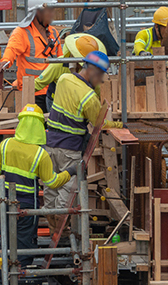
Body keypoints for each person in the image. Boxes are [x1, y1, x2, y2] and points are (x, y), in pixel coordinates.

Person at [0, 104, 76, 268]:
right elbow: (52, 182)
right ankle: (21, 281)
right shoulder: (40, 154)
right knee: (25, 246)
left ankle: (3, 283)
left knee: (6, 243)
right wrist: (70, 171)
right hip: (27, 207)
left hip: (4, 202)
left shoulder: (5, 145)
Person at [43, 51, 115, 225]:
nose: (101, 81)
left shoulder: (64, 80)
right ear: (93, 71)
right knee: (66, 193)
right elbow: (99, 124)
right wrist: (120, 126)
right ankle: (62, 231)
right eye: (101, 77)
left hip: (50, 145)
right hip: (70, 150)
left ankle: (54, 231)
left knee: (51, 189)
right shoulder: (89, 98)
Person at [0, 0, 61, 112]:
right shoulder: (21, 32)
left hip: (53, 91)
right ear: (38, 13)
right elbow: (11, 49)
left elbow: (61, 60)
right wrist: (5, 62)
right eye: (50, 10)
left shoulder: (53, 33)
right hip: (32, 93)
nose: (53, 13)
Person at [34, 33, 107, 107]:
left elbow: (98, 89)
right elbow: (39, 83)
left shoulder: (90, 71)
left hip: (78, 102)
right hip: (56, 101)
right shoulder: (59, 64)